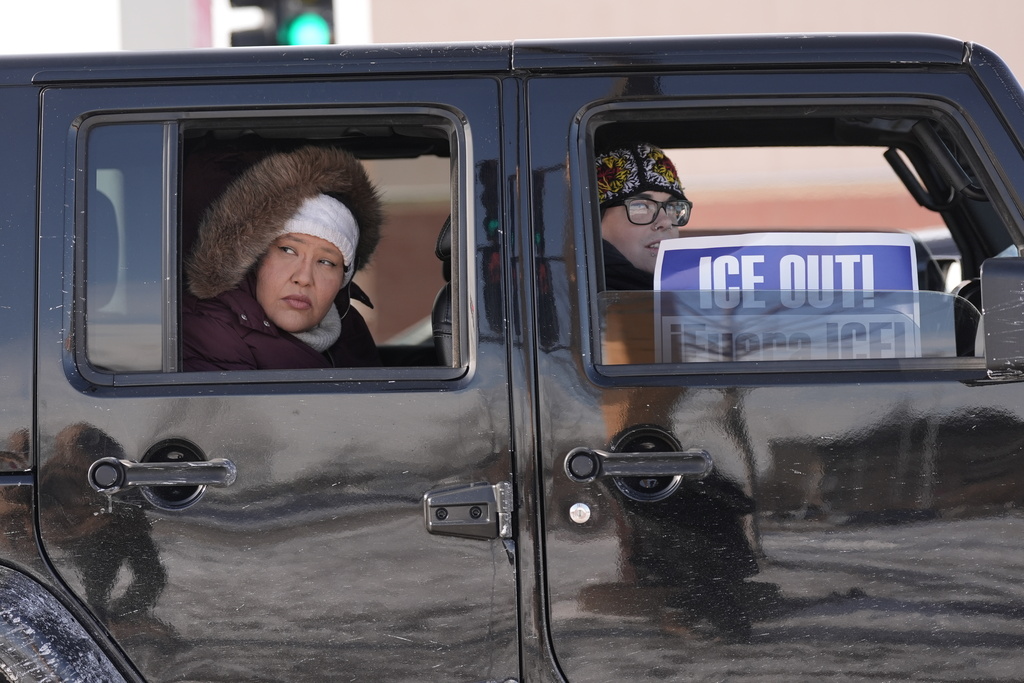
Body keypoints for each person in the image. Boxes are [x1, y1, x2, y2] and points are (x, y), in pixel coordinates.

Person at [182, 145, 383, 371]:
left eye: (326, 262)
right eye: (288, 250)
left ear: (343, 278)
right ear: (255, 259)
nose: (304, 278)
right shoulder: (212, 331)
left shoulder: (350, 329)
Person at [594, 142, 692, 290]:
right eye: (641, 206)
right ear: (594, 222)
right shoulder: (575, 301)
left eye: (672, 207)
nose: (666, 221)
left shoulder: (693, 295)